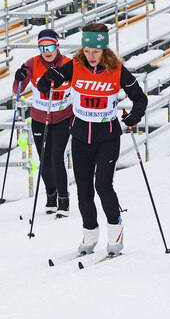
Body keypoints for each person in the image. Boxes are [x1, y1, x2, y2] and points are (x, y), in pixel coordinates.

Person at [37, 23, 147, 256]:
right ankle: (90, 234)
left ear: (104, 50)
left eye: (95, 51)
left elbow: (140, 98)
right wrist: (49, 78)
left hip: (107, 137)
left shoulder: (117, 70)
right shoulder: (74, 66)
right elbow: (44, 85)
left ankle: (115, 230)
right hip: (80, 136)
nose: (91, 56)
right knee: (84, 189)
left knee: (103, 186)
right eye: (87, 51)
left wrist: (134, 115)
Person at [12, 29, 73, 217]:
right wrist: (19, 77)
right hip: (40, 118)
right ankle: (51, 195)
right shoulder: (33, 63)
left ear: (57, 46)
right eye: (43, 48)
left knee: (57, 157)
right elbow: (17, 89)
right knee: (44, 160)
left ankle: (63, 199)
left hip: (63, 117)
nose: (47, 51)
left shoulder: (68, 63)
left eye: (50, 47)